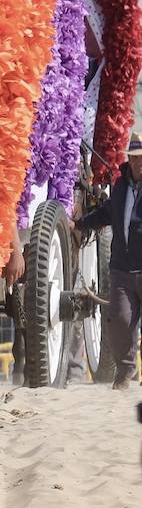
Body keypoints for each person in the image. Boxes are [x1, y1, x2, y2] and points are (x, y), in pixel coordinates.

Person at [78, 133, 142, 389]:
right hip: (122, 269)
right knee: (118, 319)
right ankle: (125, 371)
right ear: (129, 159)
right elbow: (106, 213)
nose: (139, 163)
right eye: (135, 159)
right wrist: (81, 224)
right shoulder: (120, 186)